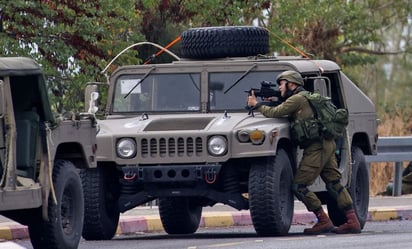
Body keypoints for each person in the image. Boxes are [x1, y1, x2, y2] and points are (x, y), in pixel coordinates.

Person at [247, 70, 361, 235]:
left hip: (316, 147)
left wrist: (256, 104)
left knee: (299, 186)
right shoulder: (306, 97)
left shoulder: (297, 99)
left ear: (292, 84)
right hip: (327, 143)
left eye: (282, 83)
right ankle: (352, 220)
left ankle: (323, 220)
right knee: (334, 183)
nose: (279, 87)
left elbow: (275, 113)